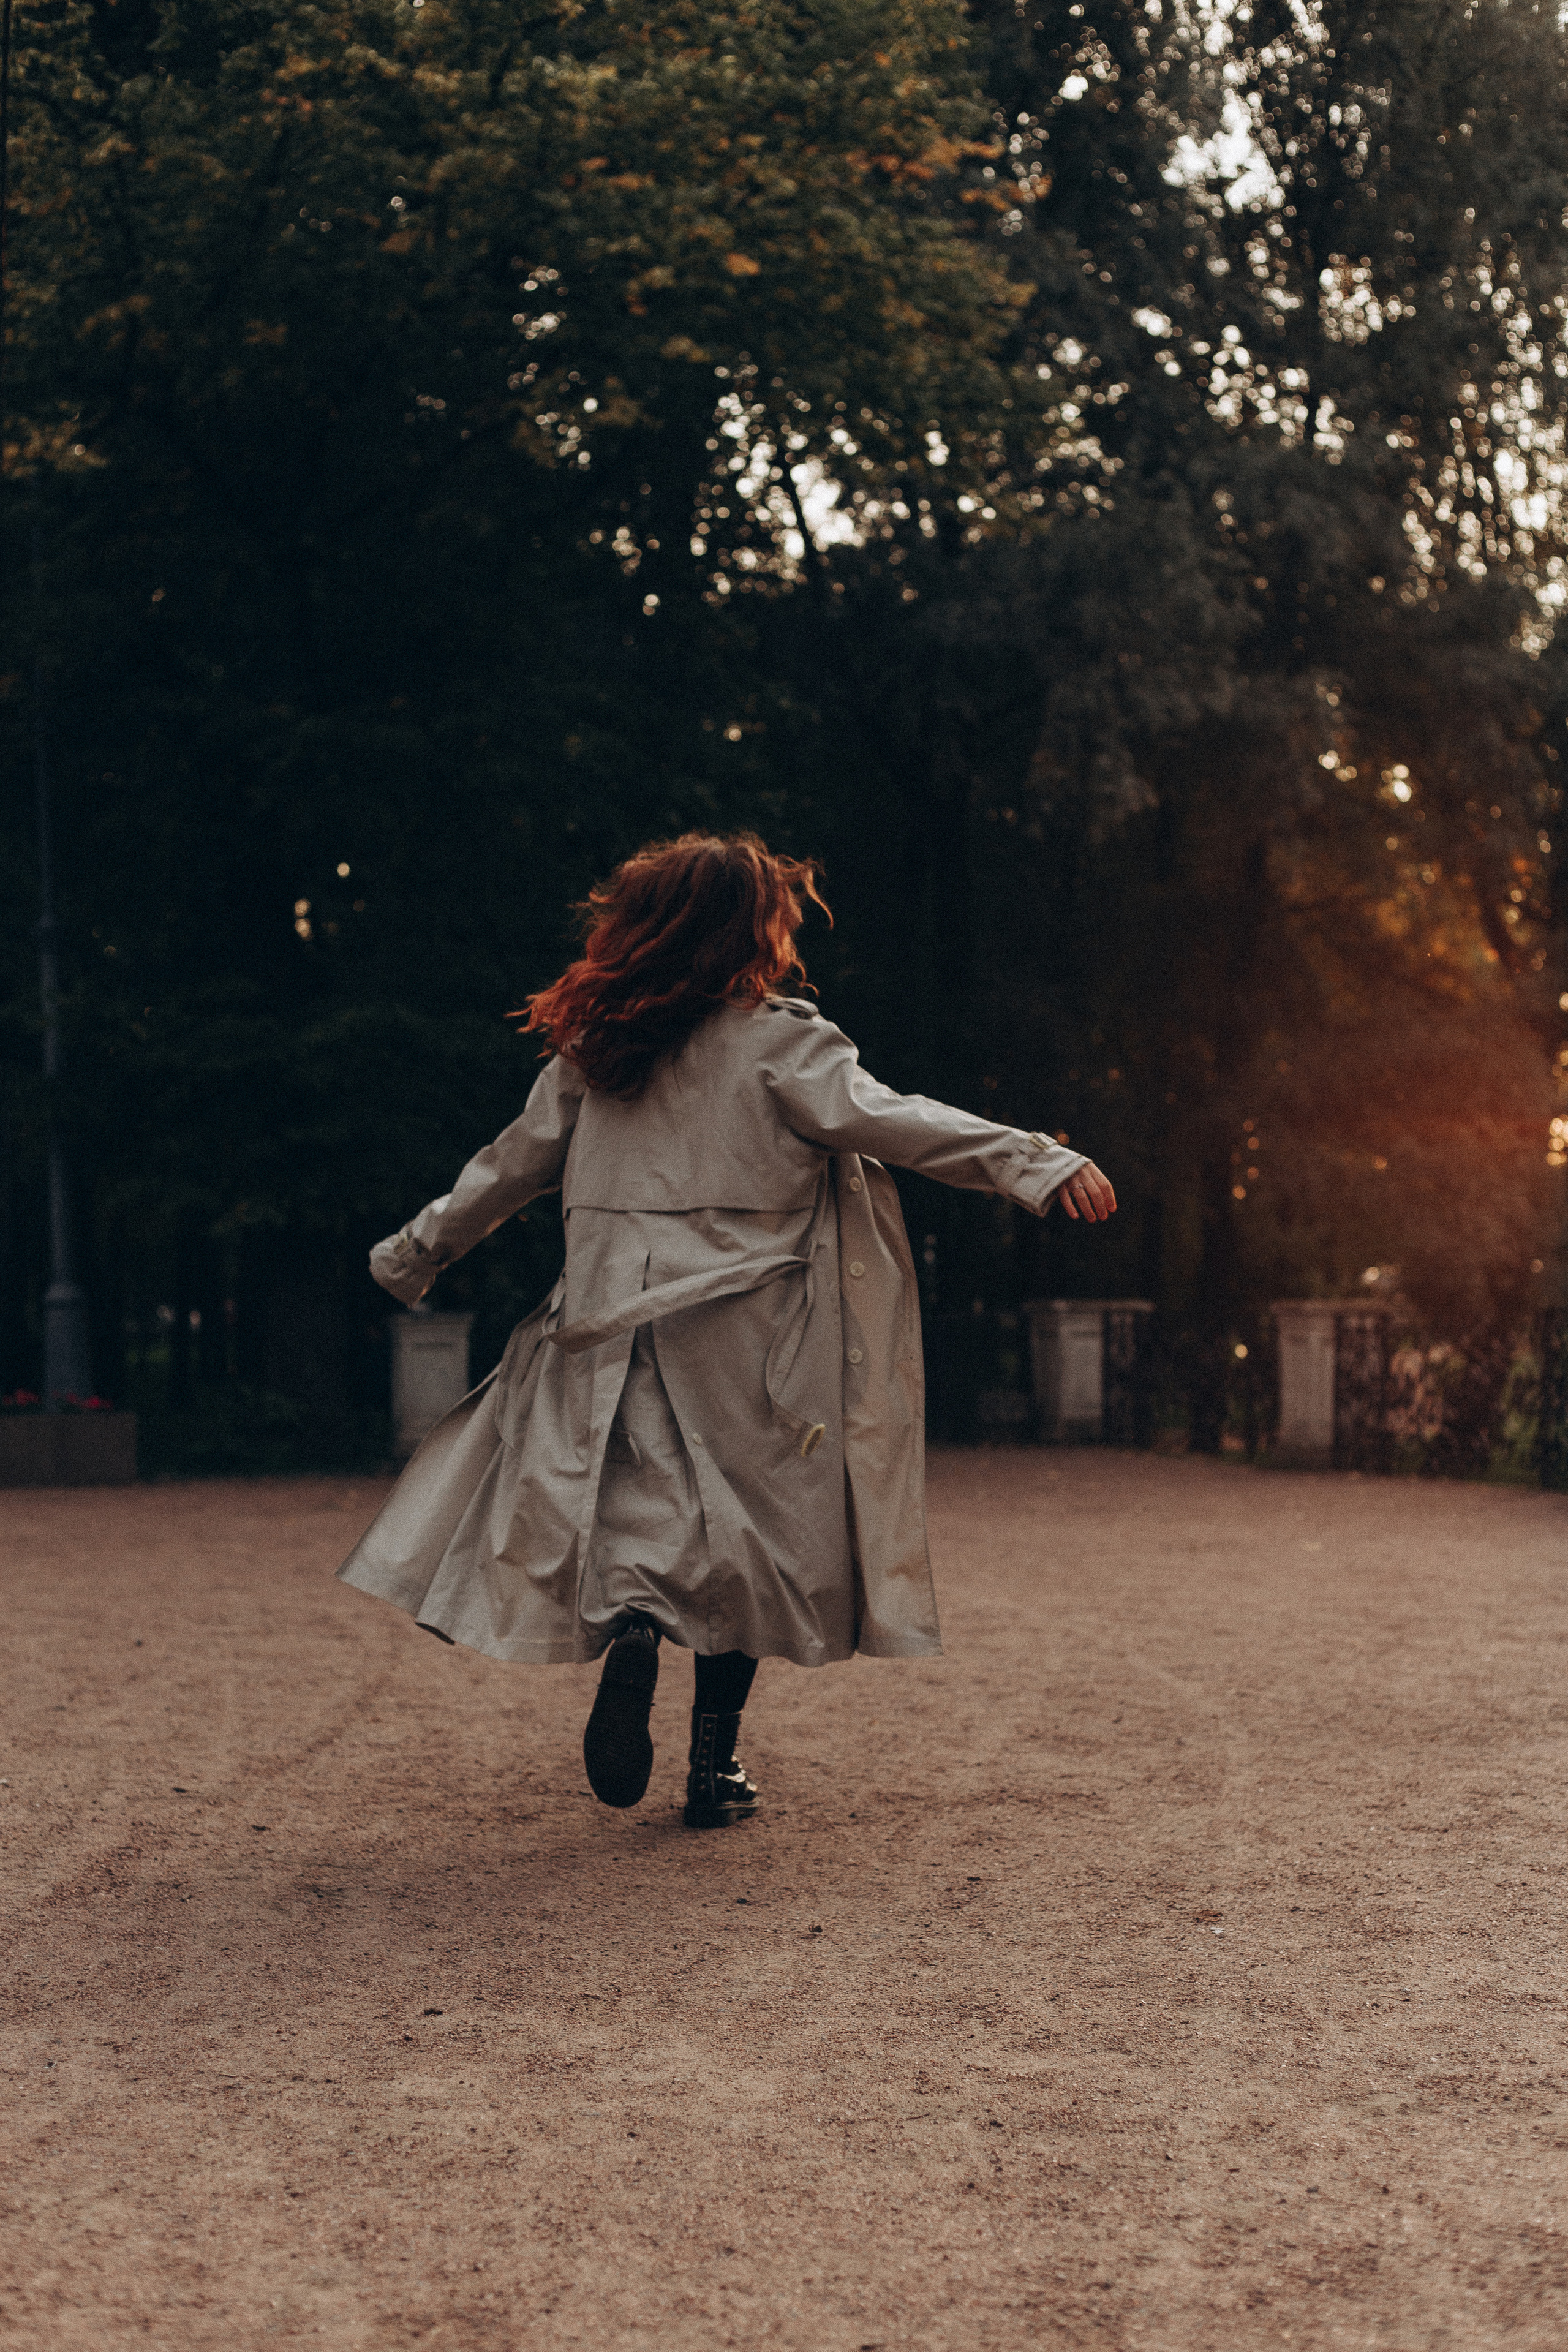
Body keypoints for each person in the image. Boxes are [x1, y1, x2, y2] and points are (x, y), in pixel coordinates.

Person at [339, 833, 1115, 1828]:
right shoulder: (782, 1044)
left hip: (609, 1325)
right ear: (753, 933)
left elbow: (508, 1167)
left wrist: (416, 1252)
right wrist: (1036, 1161)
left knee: (636, 1510)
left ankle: (633, 1626)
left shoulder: (599, 1053)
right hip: (752, 1334)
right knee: (748, 1540)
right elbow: (900, 1122)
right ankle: (713, 1767)